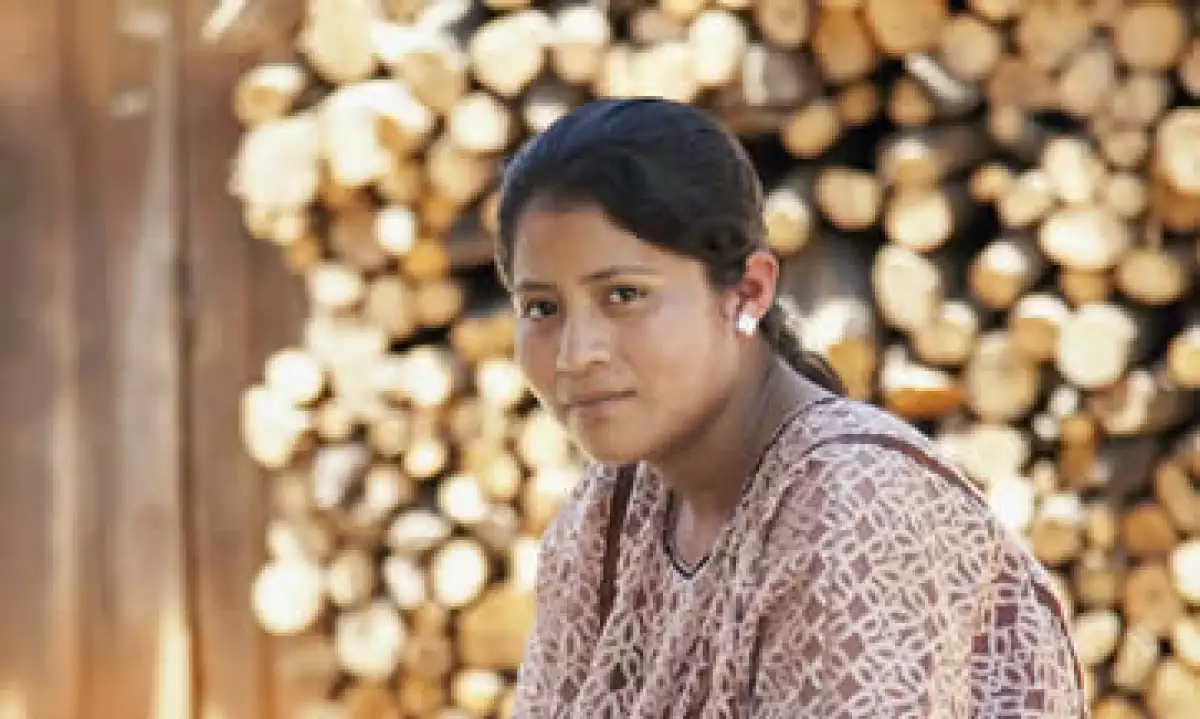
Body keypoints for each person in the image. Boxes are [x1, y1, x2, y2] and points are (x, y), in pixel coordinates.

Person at [494, 98, 1088, 718]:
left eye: (623, 295)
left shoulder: (856, 507)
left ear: (747, 291)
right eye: (541, 307)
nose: (574, 353)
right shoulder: (605, 520)